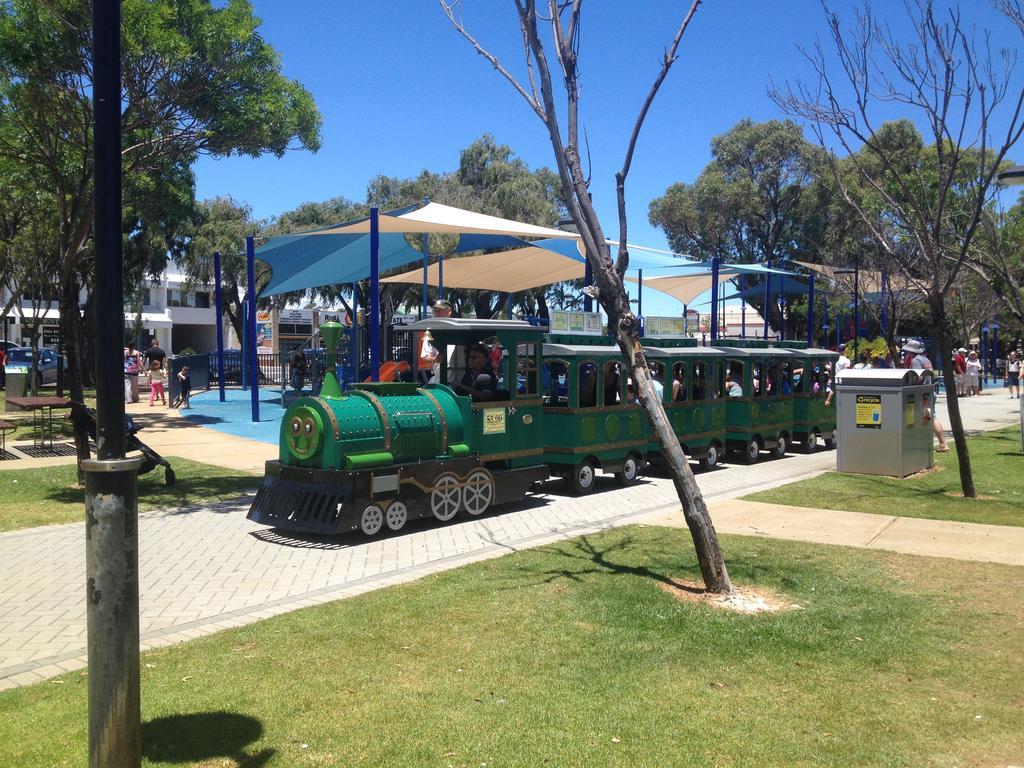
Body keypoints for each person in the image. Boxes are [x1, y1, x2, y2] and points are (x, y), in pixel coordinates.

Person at [902, 339, 949, 452]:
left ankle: (943, 444)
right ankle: (923, 443)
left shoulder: (915, 361)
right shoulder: (926, 359)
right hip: (930, 390)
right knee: (925, 419)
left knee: (930, 418)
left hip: (923, 394)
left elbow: (919, 377)